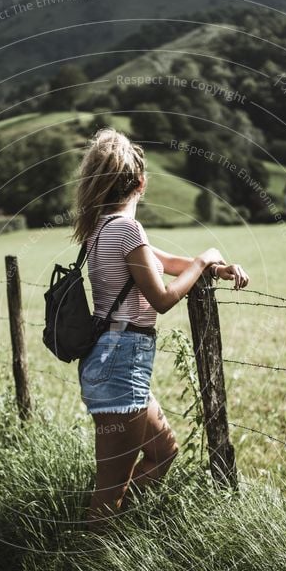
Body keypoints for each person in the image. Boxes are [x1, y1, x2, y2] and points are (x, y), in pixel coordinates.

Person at [73, 129, 249, 530]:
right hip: (120, 367)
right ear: (141, 183)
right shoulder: (127, 230)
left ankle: (114, 533)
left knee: (164, 453)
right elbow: (165, 298)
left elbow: (168, 262)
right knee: (109, 491)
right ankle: (88, 561)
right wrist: (205, 258)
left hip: (112, 363)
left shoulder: (102, 230)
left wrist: (215, 268)